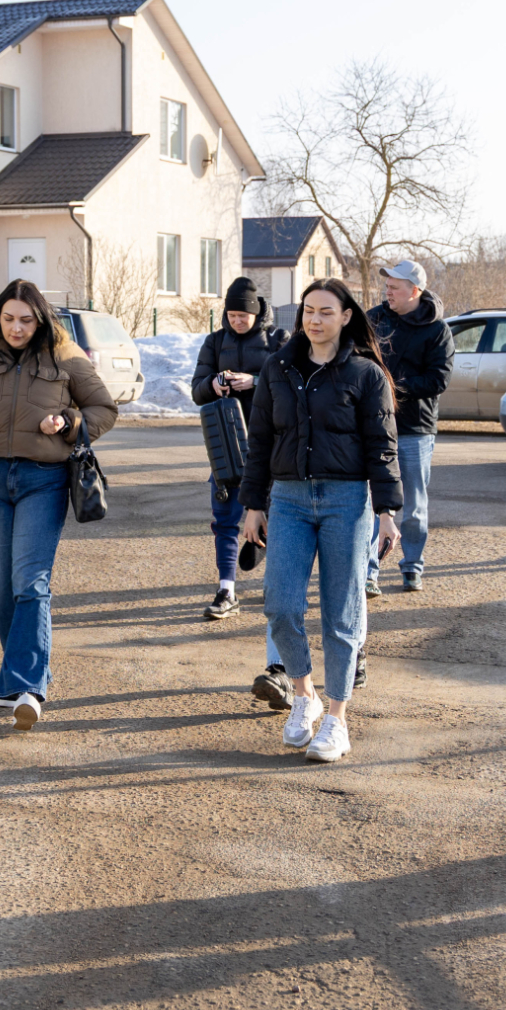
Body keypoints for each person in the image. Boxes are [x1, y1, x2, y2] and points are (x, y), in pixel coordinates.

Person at [0, 280, 118, 730]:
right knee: (0, 584)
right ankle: (25, 676)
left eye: (26, 320)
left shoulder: (63, 354)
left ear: (41, 320)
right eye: (9, 319)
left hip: (44, 479)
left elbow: (104, 408)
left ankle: (27, 686)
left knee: (30, 581)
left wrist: (68, 422)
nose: (16, 328)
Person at [239, 279, 401, 763]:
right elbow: (260, 441)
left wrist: (387, 512)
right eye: (308, 310)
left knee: (342, 611)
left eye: (326, 311)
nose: (314, 319)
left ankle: (337, 719)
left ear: (346, 317)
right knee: (280, 604)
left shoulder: (366, 374)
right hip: (288, 499)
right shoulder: (278, 368)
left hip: (346, 501)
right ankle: (304, 694)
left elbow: (383, 446)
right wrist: (253, 504)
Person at [190, 276, 288, 621]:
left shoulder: (278, 340)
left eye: (242, 316)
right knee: (225, 520)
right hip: (227, 445)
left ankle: (277, 585)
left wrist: (255, 381)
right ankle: (226, 590)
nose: (237, 321)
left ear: (256, 312)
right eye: (231, 315)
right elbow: (196, 390)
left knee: (280, 519)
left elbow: (292, 385)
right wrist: (213, 383)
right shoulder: (215, 342)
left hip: (272, 444)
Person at [365, 260, 453, 596]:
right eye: (386, 286)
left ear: (414, 291)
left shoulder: (437, 330)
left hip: (416, 428)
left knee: (414, 506)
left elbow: (438, 379)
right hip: (374, 424)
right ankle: (369, 571)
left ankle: (412, 566)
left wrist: (393, 387)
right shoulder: (374, 320)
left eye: (394, 287)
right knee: (373, 504)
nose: (387, 292)